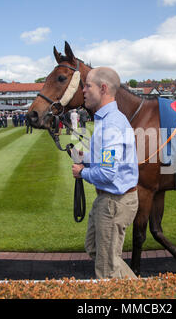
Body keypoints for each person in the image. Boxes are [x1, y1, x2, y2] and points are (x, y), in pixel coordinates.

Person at [71, 67, 139, 279]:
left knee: (107, 269)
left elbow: (108, 173)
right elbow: (106, 160)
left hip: (114, 202)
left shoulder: (111, 123)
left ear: (103, 88)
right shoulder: (106, 119)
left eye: (87, 85)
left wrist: (82, 172)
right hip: (109, 200)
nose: (83, 90)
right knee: (95, 249)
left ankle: (141, 295)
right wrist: (88, 157)